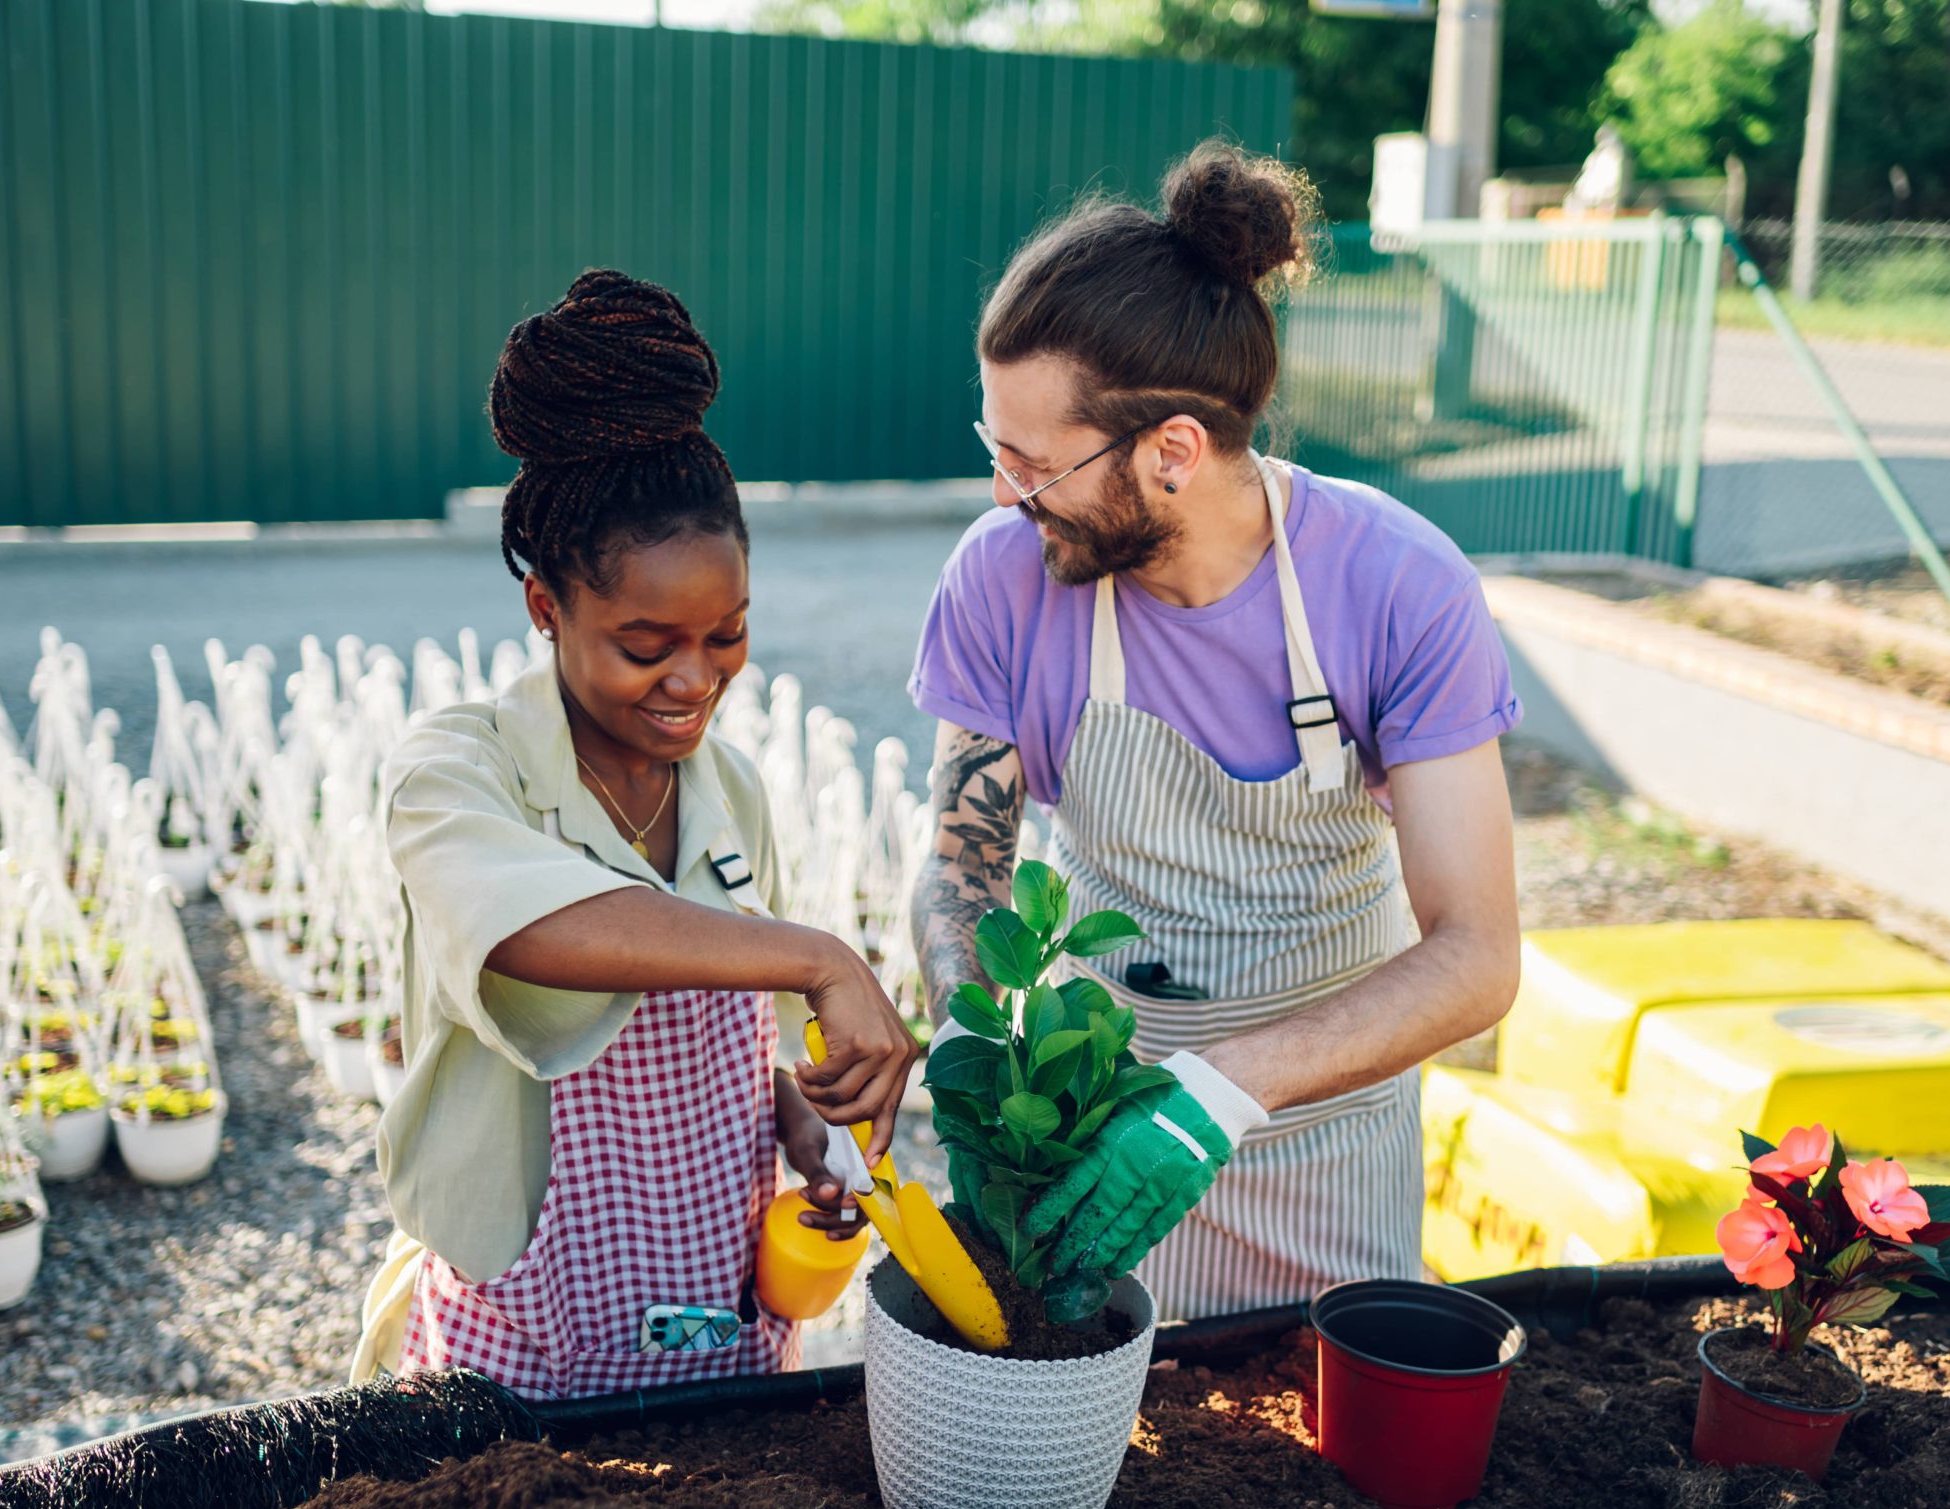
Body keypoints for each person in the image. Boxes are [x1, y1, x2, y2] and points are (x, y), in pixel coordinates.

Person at [907, 144, 1523, 1320]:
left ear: (1172, 451)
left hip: (1324, 1143)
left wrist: (1221, 1092)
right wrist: (973, 1045)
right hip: (1094, 1134)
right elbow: (964, 862)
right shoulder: (1003, 579)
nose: (1002, 493)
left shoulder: (1396, 584)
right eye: (995, 450)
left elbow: (1476, 954)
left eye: (1031, 463)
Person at [351, 270, 916, 1397]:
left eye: (726, 634)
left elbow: (725, 998)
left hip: (706, 1263)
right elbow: (538, 934)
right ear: (547, 608)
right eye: (646, 642)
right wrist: (821, 958)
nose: (693, 679)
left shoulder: (729, 785)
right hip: (528, 1296)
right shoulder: (457, 768)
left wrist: (796, 1111)